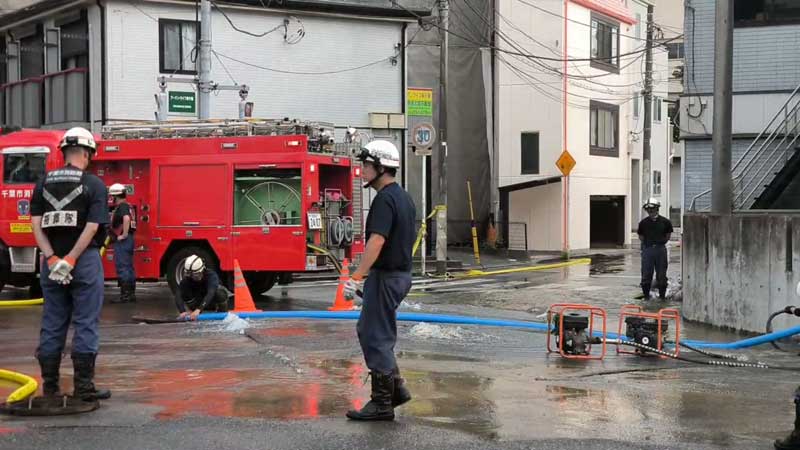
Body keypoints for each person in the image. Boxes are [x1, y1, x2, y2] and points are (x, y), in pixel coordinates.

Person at [30, 127, 111, 401]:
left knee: (53, 321)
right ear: (87, 153)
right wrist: (72, 259)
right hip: (84, 260)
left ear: (63, 151)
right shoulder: (94, 185)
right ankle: (84, 387)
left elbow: (35, 225)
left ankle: (50, 387)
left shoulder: (42, 184)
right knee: (86, 322)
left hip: (50, 261)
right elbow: (92, 226)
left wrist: (52, 258)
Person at [344, 140, 416, 421]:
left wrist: (357, 276)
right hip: (398, 275)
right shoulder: (403, 197)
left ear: (380, 166)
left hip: (387, 277)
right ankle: (396, 389)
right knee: (373, 331)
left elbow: (376, 241)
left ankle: (382, 403)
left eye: (366, 164)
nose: (362, 169)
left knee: (375, 336)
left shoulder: (385, 199)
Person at [637, 198, 674, 300]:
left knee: (661, 275)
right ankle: (646, 296)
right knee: (646, 275)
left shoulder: (665, 222)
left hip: (660, 249)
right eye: (648, 209)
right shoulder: (643, 223)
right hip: (648, 249)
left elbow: (668, 235)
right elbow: (641, 236)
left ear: (657, 208)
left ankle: (662, 297)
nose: (650, 211)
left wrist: (660, 243)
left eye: (652, 209)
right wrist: (648, 245)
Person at [175, 255, 231, 321]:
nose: (193, 277)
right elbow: (178, 294)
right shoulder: (188, 279)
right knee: (184, 290)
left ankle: (222, 312)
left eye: (196, 274)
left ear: (202, 270)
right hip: (198, 301)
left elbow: (211, 293)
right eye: (191, 275)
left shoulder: (211, 276)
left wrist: (199, 309)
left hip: (211, 301)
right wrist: (182, 311)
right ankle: (193, 311)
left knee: (220, 292)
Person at [109, 183, 136, 303]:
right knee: (128, 267)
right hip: (128, 240)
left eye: (112, 196)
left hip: (124, 241)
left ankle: (125, 296)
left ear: (116, 196)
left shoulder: (123, 206)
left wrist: (123, 234)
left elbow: (126, 218)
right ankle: (130, 294)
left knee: (123, 267)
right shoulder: (128, 206)